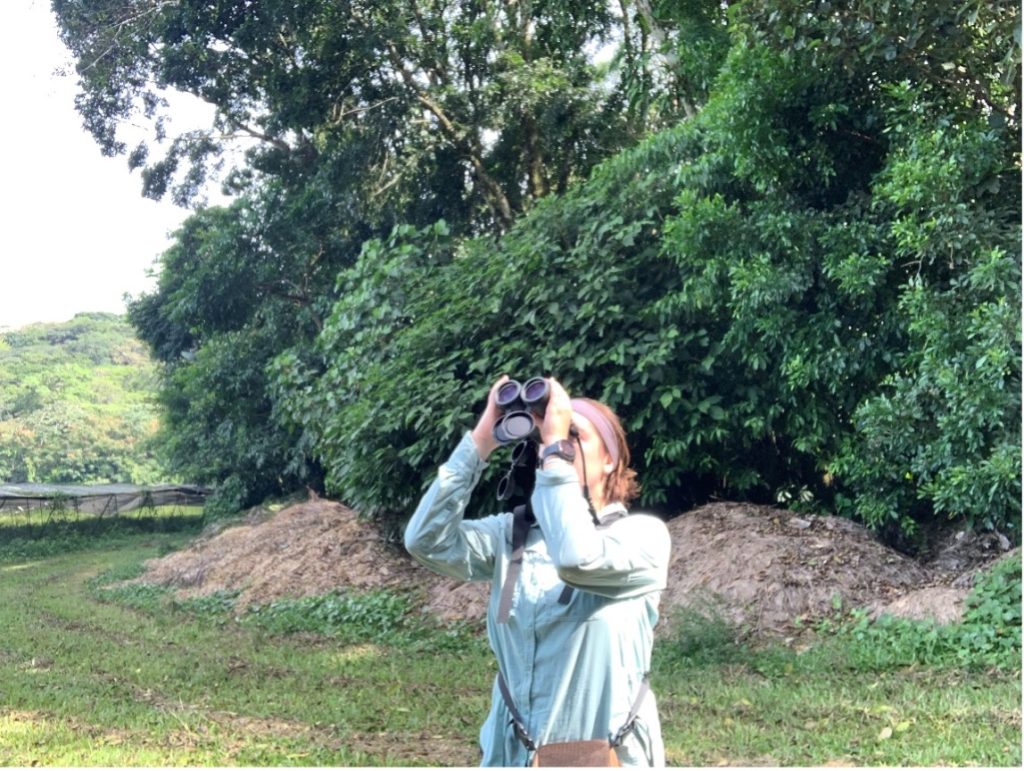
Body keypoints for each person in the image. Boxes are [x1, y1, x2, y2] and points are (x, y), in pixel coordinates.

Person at [404, 375, 671, 766]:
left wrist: (554, 457)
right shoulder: (513, 539)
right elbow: (424, 540)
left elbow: (578, 558)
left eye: (572, 435)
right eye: (547, 438)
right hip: (511, 755)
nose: (556, 445)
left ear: (610, 459)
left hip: (602, 757)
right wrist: (480, 441)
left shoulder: (642, 537)